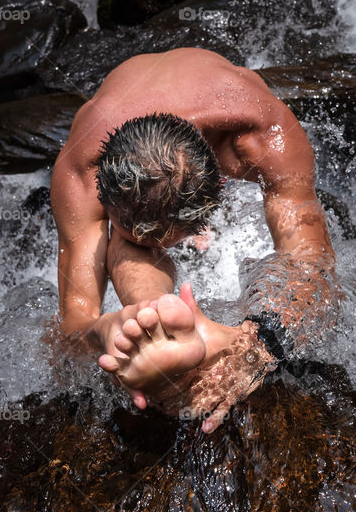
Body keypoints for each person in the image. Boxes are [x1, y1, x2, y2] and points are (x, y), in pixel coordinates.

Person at [50, 47, 335, 432]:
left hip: (215, 111)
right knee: (126, 244)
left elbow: (312, 262)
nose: (159, 245)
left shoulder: (260, 135)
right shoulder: (82, 171)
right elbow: (71, 329)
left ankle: (162, 324)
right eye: (139, 235)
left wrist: (259, 343)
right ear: (104, 196)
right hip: (129, 121)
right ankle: (155, 318)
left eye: (167, 238)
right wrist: (105, 330)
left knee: (130, 242)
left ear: (215, 192)